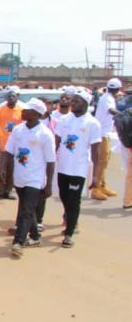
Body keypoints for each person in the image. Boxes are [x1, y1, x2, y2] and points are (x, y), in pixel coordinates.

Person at [4, 98, 56, 258]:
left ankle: (18, 242)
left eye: (27, 110)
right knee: (29, 207)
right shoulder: (18, 130)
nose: (23, 112)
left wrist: (48, 185)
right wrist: (6, 173)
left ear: (37, 114)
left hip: (35, 178)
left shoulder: (45, 134)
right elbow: (9, 152)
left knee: (26, 210)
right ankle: (35, 237)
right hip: (19, 176)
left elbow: (50, 161)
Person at [54, 88, 101, 247]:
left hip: (78, 169)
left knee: (74, 201)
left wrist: (95, 176)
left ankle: (69, 233)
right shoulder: (64, 120)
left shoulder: (92, 123)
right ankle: (70, 217)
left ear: (85, 103)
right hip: (62, 167)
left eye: (76, 101)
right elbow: (56, 142)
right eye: (72, 100)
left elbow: (96, 152)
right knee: (64, 197)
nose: (72, 104)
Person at [93, 78, 122, 200]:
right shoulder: (108, 99)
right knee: (101, 162)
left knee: (105, 161)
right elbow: (111, 110)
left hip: (106, 134)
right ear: (118, 89)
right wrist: (122, 115)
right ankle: (95, 189)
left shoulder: (106, 97)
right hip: (101, 134)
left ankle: (102, 185)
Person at [0, 86, 23, 199]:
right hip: (2, 145)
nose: (11, 98)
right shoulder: (0, 110)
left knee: (11, 170)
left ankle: (8, 190)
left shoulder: (20, 111)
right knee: (0, 169)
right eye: (9, 96)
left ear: (17, 98)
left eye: (13, 96)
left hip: (14, 147)